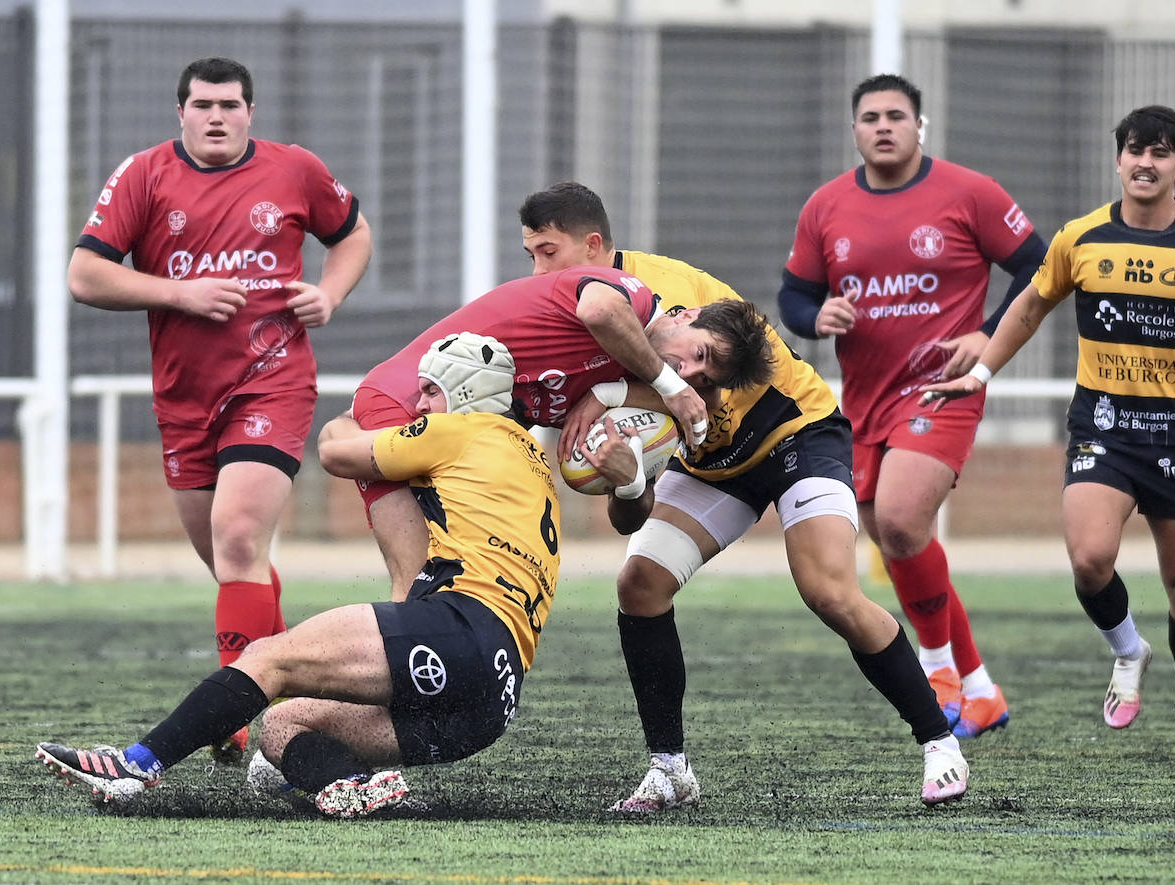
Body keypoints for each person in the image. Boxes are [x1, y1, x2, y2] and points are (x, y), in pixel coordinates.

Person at [518, 180, 971, 809]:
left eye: (548, 253)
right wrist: (627, 476)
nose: (538, 271)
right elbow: (630, 516)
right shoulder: (575, 326)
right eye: (530, 257)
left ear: (592, 247)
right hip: (713, 462)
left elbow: (699, 397)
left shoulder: (671, 301)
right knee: (638, 583)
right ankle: (669, 770)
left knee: (829, 591)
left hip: (795, 436)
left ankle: (938, 740)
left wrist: (613, 394)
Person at [36, 332, 561, 819]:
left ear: (464, 393)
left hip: (459, 627)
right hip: (494, 697)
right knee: (285, 724)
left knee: (268, 658)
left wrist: (356, 411)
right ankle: (355, 787)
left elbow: (336, 452)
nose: (419, 405)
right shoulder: (533, 458)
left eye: (429, 391)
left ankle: (134, 765)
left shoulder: (459, 428)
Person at [922, 105, 1175, 756]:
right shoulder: (1081, 238)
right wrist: (980, 372)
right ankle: (1128, 650)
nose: (1145, 161)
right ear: (1118, 159)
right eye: (1133, 149)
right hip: (1103, 428)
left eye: (1160, 152)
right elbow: (1032, 305)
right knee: (1090, 559)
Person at [66, 57, 373, 763]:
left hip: (273, 381)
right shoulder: (143, 175)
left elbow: (353, 234)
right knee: (234, 562)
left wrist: (330, 294)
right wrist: (179, 294)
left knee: (238, 539)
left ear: (250, 112)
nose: (215, 116)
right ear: (180, 113)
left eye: (229, 105)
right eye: (202, 104)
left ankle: (228, 715)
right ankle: (280, 692)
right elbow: (85, 273)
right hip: (183, 398)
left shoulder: (295, 169)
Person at [777, 73, 1047, 739]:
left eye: (897, 115)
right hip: (865, 398)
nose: (884, 126)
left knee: (899, 520)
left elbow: (1040, 267)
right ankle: (980, 687)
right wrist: (817, 316)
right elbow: (793, 297)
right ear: (855, 129)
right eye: (870, 117)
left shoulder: (969, 193)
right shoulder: (826, 206)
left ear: (919, 125)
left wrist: (988, 334)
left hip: (940, 389)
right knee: (898, 540)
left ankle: (937, 670)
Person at [353, 266, 770, 601]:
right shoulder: (631, 298)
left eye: (701, 376)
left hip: (453, 441)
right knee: (420, 580)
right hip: (405, 400)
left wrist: (631, 482)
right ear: (686, 315)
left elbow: (630, 521)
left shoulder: (643, 396)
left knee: (463, 579)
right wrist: (664, 386)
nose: (689, 373)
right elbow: (600, 312)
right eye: (700, 353)